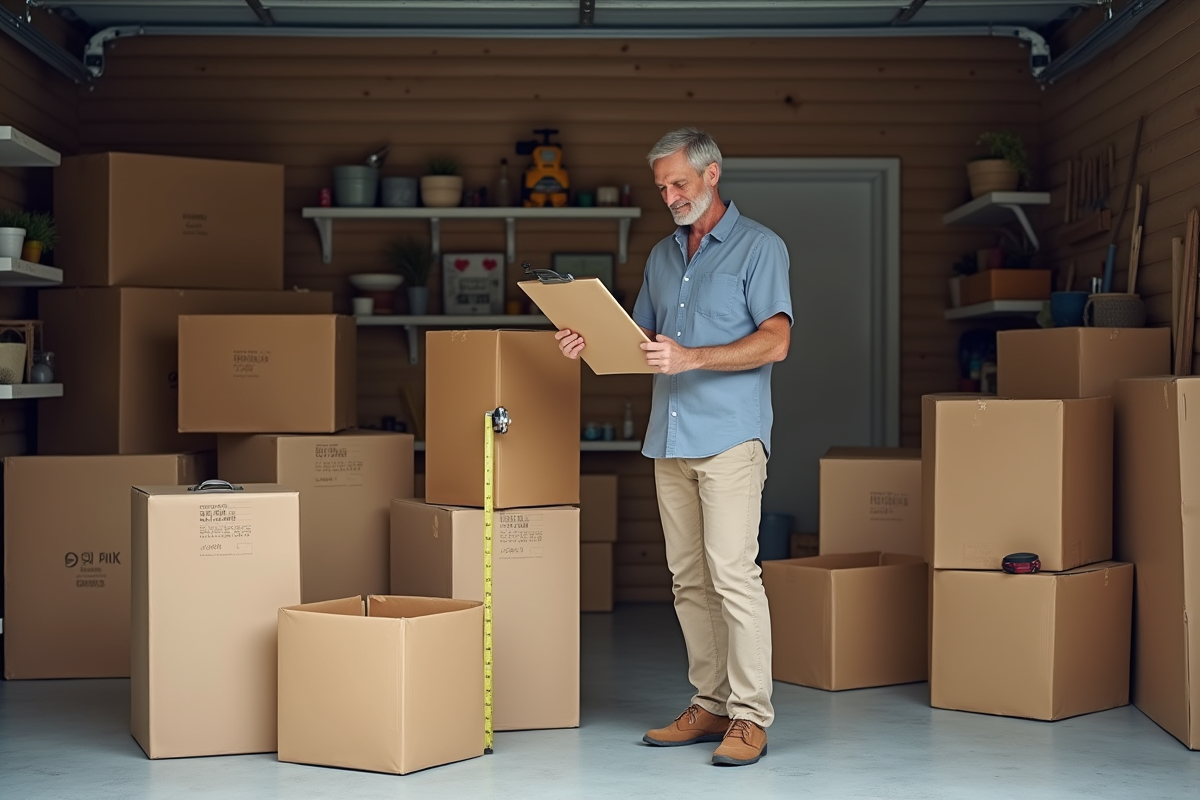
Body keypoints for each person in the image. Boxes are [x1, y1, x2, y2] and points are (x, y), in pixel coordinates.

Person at [555, 127, 792, 767]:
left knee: (733, 575)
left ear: (713, 175)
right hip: (671, 438)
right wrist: (588, 342)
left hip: (731, 439)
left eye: (679, 183)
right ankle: (710, 703)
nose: (669, 195)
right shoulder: (662, 256)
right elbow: (639, 343)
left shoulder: (759, 248)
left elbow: (775, 342)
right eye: (662, 186)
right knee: (689, 581)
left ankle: (750, 717)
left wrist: (692, 356)